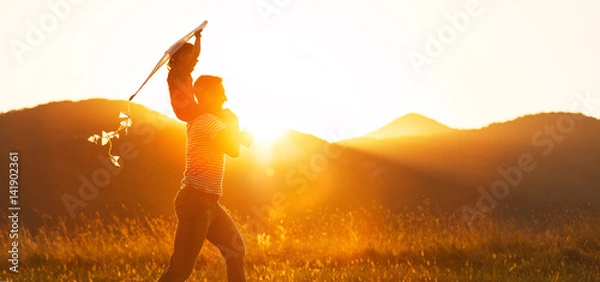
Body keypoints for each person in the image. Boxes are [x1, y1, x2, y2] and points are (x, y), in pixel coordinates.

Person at [158, 75, 253, 282]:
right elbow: (232, 149)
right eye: (220, 92)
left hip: (209, 202)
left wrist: (237, 133)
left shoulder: (204, 118)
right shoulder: (207, 120)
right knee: (180, 270)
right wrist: (237, 128)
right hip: (196, 203)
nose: (224, 97)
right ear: (209, 95)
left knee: (235, 251)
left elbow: (229, 143)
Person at [166, 30, 202, 122]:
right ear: (181, 57)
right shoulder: (181, 70)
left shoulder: (173, 74)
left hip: (181, 112)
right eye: (192, 61)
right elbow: (195, 53)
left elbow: (182, 88)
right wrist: (198, 37)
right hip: (189, 109)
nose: (194, 63)